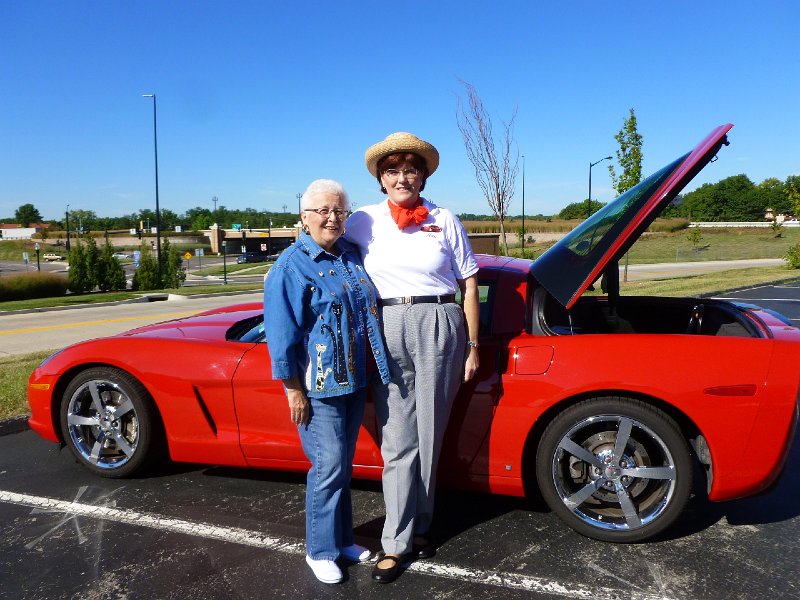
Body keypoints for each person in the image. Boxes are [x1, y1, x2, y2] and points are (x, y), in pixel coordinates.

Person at [345, 132, 480, 583]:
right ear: (381, 179)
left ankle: (421, 524)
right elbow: (330, 257)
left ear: (422, 176)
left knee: (431, 432)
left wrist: (474, 345)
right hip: (386, 325)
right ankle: (396, 542)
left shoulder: (445, 219)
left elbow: (470, 285)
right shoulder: (361, 220)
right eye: (392, 170)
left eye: (410, 169)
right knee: (398, 440)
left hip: (440, 321)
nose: (402, 177)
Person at [264, 179, 391, 584]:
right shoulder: (290, 267)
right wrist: (292, 389)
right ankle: (319, 550)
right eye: (323, 210)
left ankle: (341, 540)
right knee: (327, 468)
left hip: (353, 380)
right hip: (318, 388)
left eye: (339, 211)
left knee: (341, 468)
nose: (332, 217)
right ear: (304, 217)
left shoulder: (349, 255)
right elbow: (282, 336)